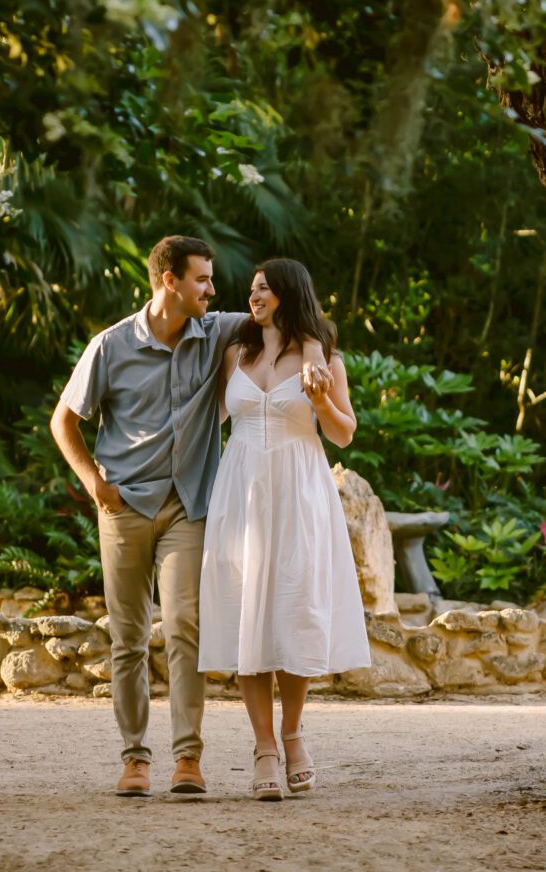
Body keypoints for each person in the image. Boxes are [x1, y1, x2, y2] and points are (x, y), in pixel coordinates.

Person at [49, 234, 236, 801]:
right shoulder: (109, 346)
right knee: (128, 638)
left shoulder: (216, 331)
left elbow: (279, 322)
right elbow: (64, 421)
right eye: (202, 279)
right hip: (124, 506)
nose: (212, 288)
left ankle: (187, 760)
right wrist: (95, 486)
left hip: (189, 506)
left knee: (185, 627)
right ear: (169, 281)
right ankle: (134, 758)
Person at [198, 256, 369, 800]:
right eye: (251, 289)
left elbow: (343, 435)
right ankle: (263, 747)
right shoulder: (235, 353)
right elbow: (210, 421)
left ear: (290, 294)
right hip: (242, 490)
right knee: (248, 615)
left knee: (295, 612)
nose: (254, 297)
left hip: (299, 490)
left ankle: (294, 736)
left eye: (265, 289)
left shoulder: (325, 362)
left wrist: (319, 399)